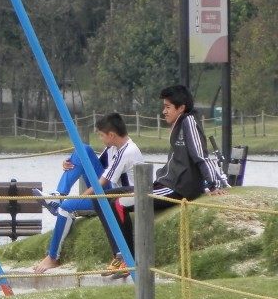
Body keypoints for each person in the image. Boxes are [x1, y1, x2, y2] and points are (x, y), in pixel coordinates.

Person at [101, 84, 230, 277]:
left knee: (119, 204)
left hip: (177, 188)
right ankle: (119, 255)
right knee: (104, 197)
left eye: (168, 107)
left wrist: (214, 184)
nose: (164, 111)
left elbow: (201, 155)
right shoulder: (178, 125)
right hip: (164, 182)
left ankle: (129, 260)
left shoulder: (189, 122)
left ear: (181, 107)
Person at [32, 113, 145, 273]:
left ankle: (53, 257)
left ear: (112, 135)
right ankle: (58, 194)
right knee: (82, 150)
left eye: (101, 135)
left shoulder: (126, 152)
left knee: (67, 208)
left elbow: (101, 183)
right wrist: (71, 163)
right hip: (109, 189)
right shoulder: (114, 147)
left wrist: (78, 199)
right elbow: (94, 165)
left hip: (118, 197)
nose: (100, 139)